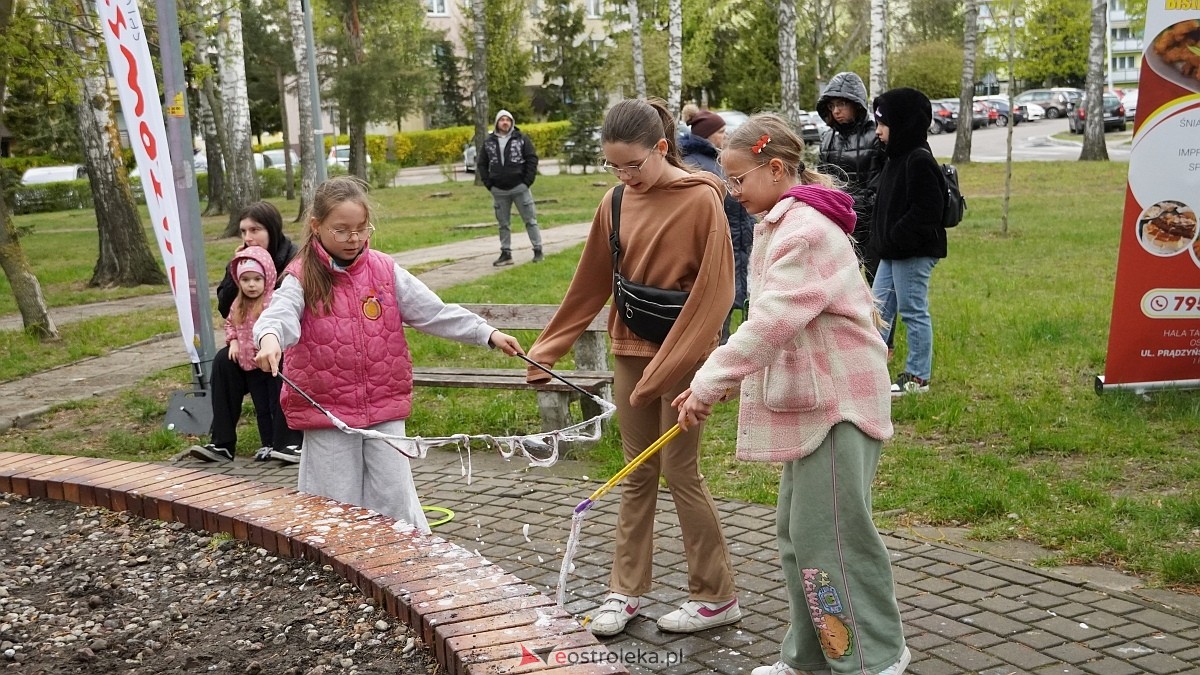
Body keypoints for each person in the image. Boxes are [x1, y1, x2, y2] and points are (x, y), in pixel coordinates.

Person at [674, 113, 910, 675]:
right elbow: (780, 323)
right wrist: (734, 377)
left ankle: (874, 658)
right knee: (798, 538)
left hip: (840, 405)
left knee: (832, 541)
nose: (732, 192)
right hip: (816, 400)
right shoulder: (780, 222)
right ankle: (810, 657)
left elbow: (772, 320)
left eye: (738, 180)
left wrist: (711, 377)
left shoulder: (804, 231)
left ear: (775, 168)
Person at [524, 98, 739, 637]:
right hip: (629, 347)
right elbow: (591, 281)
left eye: (633, 165)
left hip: (687, 354)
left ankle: (716, 597)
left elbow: (715, 295)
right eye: (613, 166)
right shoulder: (615, 201)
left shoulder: (702, 200)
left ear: (662, 148)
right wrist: (548, 347)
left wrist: (673, 368)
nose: (624, 175)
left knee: (679, 470)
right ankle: (625, 592)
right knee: (635, 472)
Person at [252, 176, 524, 532]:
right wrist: (270, 338)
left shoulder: (384, 270)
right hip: (328, 412)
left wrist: (487, 333)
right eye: (342, 230)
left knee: (395, 501)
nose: (354, 238)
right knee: (333, 508)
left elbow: (434, 312)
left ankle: (409, 569)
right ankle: (333, 575)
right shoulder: (301, 275)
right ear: (316, 227)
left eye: (362, 229)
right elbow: (279, 314)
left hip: (384, 405)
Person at [188, 201, 302, 463]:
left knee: (282, 361)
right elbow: (226, 307)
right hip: (248, 345)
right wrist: (235, 270)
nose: (248, 237)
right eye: (243, 231)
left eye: (255, 230)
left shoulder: (293, 258)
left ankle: (289, 443)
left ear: (271, 230)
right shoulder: (242, 262)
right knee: (222, 362)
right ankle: (223, 443)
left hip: (287, 345)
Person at [871, 88, 946, 396]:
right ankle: (868, 370)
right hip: (892, 252)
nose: (877, 132)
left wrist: (897, 235)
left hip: (912, 252)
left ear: (902, 124)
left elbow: (928, 210)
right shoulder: (895, 159)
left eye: (883, 124)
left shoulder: (919, 160)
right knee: (876, 311)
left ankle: (917, 376)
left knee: (913, 310)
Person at [679, 107, 756, 342]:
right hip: (719, 247)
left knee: (728, 307)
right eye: (721, 131)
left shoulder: (717, 160)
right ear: (706, 134)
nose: (725, 136)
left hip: (736, 244)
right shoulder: (698, 166)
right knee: (716, 313)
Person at [213, 247, 293, 465]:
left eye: (257, 279)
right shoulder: (238, 304)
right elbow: (230, 324)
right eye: (246, 280)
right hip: (250, 367)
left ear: (266, 278)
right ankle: (267, 444)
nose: (251, 285)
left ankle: (280, 443)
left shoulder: (272, 302)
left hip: (271, 366)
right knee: (262, 409)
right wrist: (234, 342)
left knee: (276, 405)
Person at [816, 72, 887, 284]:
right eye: (832, 106)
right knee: (841, 283)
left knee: (879, 285)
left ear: (856, 104)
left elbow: (884, 177)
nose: (836, 110)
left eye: (841, 104)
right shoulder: (828, 139)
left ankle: (882, 319)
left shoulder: (876, 134)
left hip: (873, 221)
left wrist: (871, 205)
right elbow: (822, 180)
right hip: (840, 221)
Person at [476, 109, 543, 267]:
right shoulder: (489, 142)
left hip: (520, 188)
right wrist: (489, 184)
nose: (505, 122)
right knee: (503, 223)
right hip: (499, 190)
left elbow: (531, 159)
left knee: (530, 220)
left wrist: (527, 182)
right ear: (497, 122)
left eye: (508, 119)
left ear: (512, 122)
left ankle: (538, 250)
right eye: (502, 120)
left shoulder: (521, 139)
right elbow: (482, 164)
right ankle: (506, 254)